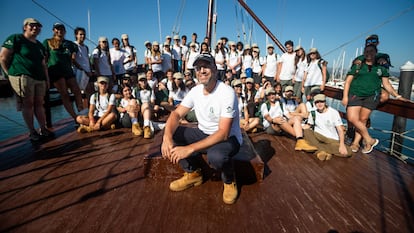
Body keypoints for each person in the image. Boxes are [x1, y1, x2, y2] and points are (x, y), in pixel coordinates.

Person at [161, 53, 242, 205]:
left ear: (215, 69)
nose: (202, 71)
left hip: (227, 139)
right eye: (198, 68)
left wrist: (189, 149)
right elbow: (177, 113)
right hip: (204, 134)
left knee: (215, 156)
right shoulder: (195, 91)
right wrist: (167, 137)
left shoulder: (226, 93)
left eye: (206, 66)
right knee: (171, 133)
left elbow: (223, 133)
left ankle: (229, 179)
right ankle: (193, 173)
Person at [342, 44, 404, 154]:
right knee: (351, 118)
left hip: (371, 96)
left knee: (363, 120)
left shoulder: (381, 68)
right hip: (355, 94)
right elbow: (348, 81)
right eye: (366, 51)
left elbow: (387, 84)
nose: (368, 53)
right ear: (364, 53)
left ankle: (356, 143)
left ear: (376, 53)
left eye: (371, 51)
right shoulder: (358, 65)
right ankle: (370, 139)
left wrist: (397, 96)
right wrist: (345, 96)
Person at [0, 18, 54, 141]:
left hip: (39, 78)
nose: (35, 28)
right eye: (32, 25)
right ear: (25, 27)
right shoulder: (16, 38)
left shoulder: (40, 45)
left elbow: (43, 65)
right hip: (23, 76)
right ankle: (32, 131)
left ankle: (43, 128)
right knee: (28, 104)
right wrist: (8, 74)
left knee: (40, 104)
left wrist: (47, 79)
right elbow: (2, 57)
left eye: (38, 26)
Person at [43, 22, 84, 121]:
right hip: (55, 72)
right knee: (64, 94)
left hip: (68, 71)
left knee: (77, 91)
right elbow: (44, 59)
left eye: (61, 29)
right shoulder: (47, 42)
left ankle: (81, 112)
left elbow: (73, 56)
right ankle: (75, 117)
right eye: (57, 28)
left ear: (65, 31)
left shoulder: (70, 44)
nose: (59, 30)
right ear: (53, 30)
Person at [260, 87, 317, 152]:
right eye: (269, 95)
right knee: (280, 119)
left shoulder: (280, 103)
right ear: (267, 96)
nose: (272, 96)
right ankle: (300, 138)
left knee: (296, 118)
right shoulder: (264, 105)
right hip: (271, 127)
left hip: (282, 124)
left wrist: (298, 120)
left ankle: (300, 140)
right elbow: (267, 117)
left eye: (273, 94)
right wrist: (273, 120)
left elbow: (288, 115)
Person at [304, 94, 352, 161]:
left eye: (321, 102)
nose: (319, 104)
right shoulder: (313, 113)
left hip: (331, 139)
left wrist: (342, 144)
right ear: (314, 103)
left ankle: (320, 150)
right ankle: (322, 150)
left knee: (348, 152)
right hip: (318, 135)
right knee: (306, 131)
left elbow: (340, 130)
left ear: (325, 102)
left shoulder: (333, 112)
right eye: (317, 102)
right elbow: (308, 126)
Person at [73, 27, 93, 107]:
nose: (83, 36)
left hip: (88, 73)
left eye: (84, 34)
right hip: (80, 73)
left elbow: (87, 59)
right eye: (80, 34)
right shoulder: (74, 45)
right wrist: (83, 70)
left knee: (90, 92)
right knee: (80, 93)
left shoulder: (86, 47)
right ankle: (82, 111)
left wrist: (90, 70)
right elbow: (73, 59)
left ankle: (90, 111)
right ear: (76, 35)